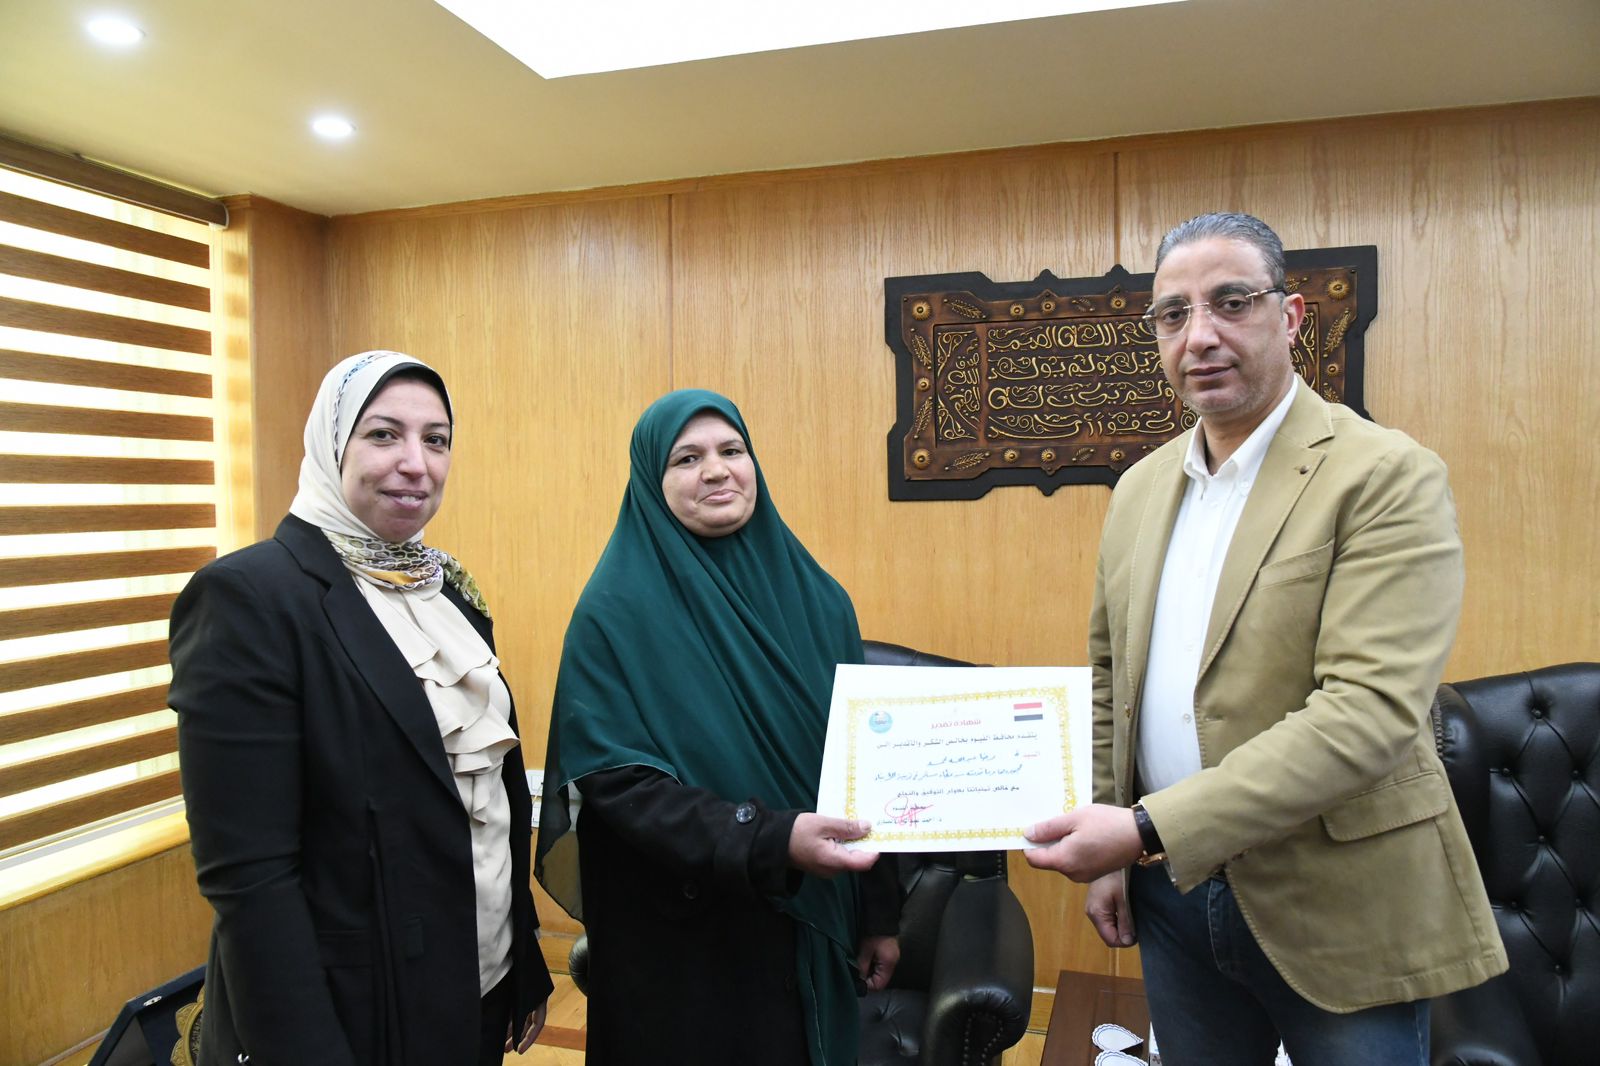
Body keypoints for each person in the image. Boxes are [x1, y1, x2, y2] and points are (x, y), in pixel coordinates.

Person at [1024, 214, 1506, 1064]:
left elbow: (1367, 715)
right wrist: (1115, 852)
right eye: (1173, 314)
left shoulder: (1384, 475)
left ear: (1289, 317)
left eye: (1231, 302)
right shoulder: (1140, 489)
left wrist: (1142, 829)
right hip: (1173, 896)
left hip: (1339, 900)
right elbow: (1109, 680)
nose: (1200, 336)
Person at [170, 350, 554, 1066]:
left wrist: (521, 960)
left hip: (477, 986)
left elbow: (490, 804)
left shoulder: (447, 591)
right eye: (383, 435)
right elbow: (249, 877)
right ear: (331, 443)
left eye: (436, 439)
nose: (416, 463)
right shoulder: (250, 599)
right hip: (355, 1015)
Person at [535, 389, 899, 1066]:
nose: (716, 470)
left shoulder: (821, 601)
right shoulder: (613, 614)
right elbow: (622, 786)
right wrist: (771, 840)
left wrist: (879, 914)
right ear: (651, 479)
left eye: (732, 450)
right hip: (685, 937)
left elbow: (867, 764)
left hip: (812, 910)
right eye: (687, 458)